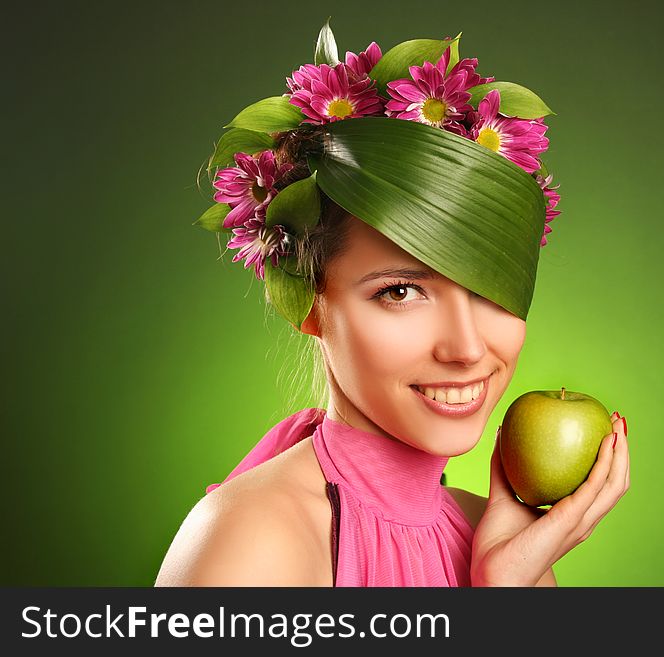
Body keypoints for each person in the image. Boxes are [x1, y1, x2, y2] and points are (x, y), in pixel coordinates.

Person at [155, 23, 630, 587]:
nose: (468, 348)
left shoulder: (497, 544)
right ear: (309, 301)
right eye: (400, 291)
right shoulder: (254, 540)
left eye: (488, 288)